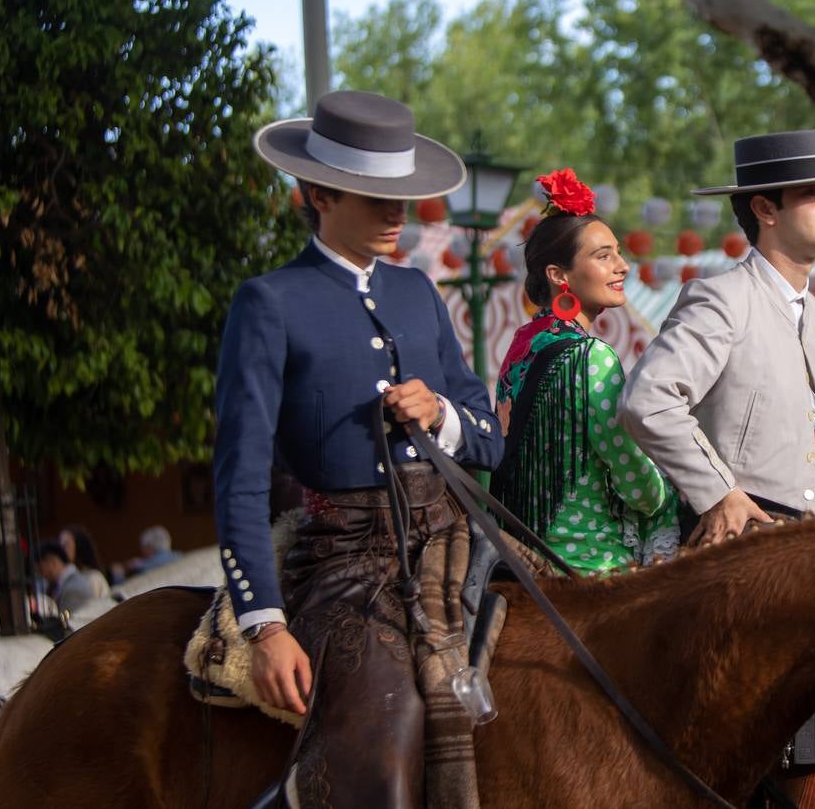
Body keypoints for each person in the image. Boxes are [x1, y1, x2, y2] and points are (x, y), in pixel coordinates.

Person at [215, 90, 501, 807]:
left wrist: (440, 413)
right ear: (319, 195)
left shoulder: (419, 291)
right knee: (386, 732)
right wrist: (265, 627)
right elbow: (239, 479)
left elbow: (489, 436)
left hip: (453, 540)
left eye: (402, 196)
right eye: (377, 199)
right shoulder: (270, 302)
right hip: (344, 562)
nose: (397, 213)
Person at [620, 129, 815, 546]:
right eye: (813, 193)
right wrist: (718, 492)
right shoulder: (722, 298)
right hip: (747, 536)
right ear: (765, 208)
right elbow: (647, 400)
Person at [491, 168, 678, 572]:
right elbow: (638, 485)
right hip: (590, 566)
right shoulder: (591, 356)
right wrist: (671, 488)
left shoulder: (523, 344)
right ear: (558, 276)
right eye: (603, 256)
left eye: (618, 253)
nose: (622, 266)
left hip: (523, 559)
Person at [33, 541, 96, 615]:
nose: (41, 575)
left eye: (40, 569)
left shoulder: (73, 589)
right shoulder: (63, 585)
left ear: (52, 561)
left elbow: (74, 621)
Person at [59, 524, 113, 595]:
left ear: (79, 545)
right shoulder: (65, 580)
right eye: (61, 546)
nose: (62, 550)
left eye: (66, 545)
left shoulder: (93, 577)